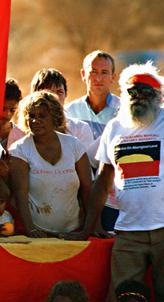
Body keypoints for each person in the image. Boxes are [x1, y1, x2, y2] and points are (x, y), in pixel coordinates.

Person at [72, 63, 164, 302]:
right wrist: (88, 227)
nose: (138, 97)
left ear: (158, 97)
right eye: (132, 92)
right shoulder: (114, 128)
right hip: (127, 232)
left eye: (145, 93)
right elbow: (103, 180)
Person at [9, 91, 92, 237]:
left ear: (55, 117)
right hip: (37, 233)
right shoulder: (19, 149)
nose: (35, 121)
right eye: (32, 116)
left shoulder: (74, 145)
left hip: (74, 231)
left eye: (42, 116)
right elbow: (20, 194)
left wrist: (90, 228)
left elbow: (87, 190)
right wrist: (31, 230)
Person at [65, 50, 121, 231]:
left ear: (113, 77)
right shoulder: (69, 112)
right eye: (93, 71)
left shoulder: (125, 111)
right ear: (83, 74)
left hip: (116, 194)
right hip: (79, 192)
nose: (98, 78)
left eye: (104, 73)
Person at [7, 68, 94, 150]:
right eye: (47, 93)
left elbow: (87, 163)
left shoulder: (80, 129)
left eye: (59, 92)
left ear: (66, 95)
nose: (55, 98)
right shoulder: (18, 133)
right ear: (34, 96)